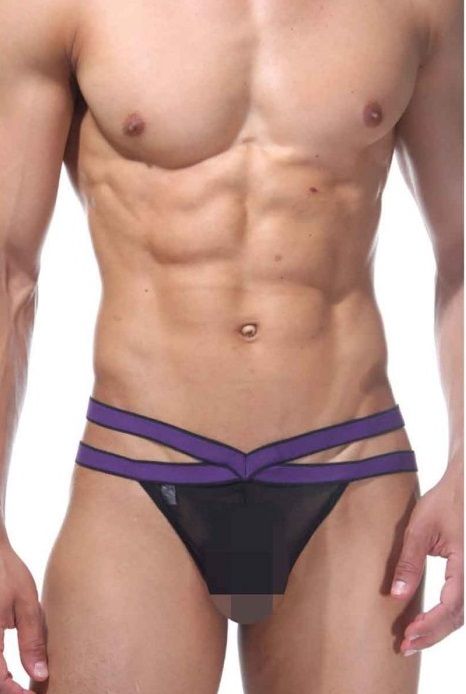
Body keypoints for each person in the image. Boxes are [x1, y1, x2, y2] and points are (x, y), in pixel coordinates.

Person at [0, 0, 463, 692]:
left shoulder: (418, 8)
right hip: (141, 470)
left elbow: (462, 250)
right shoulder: (55, 8)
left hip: (351, 469)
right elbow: (9, 269)